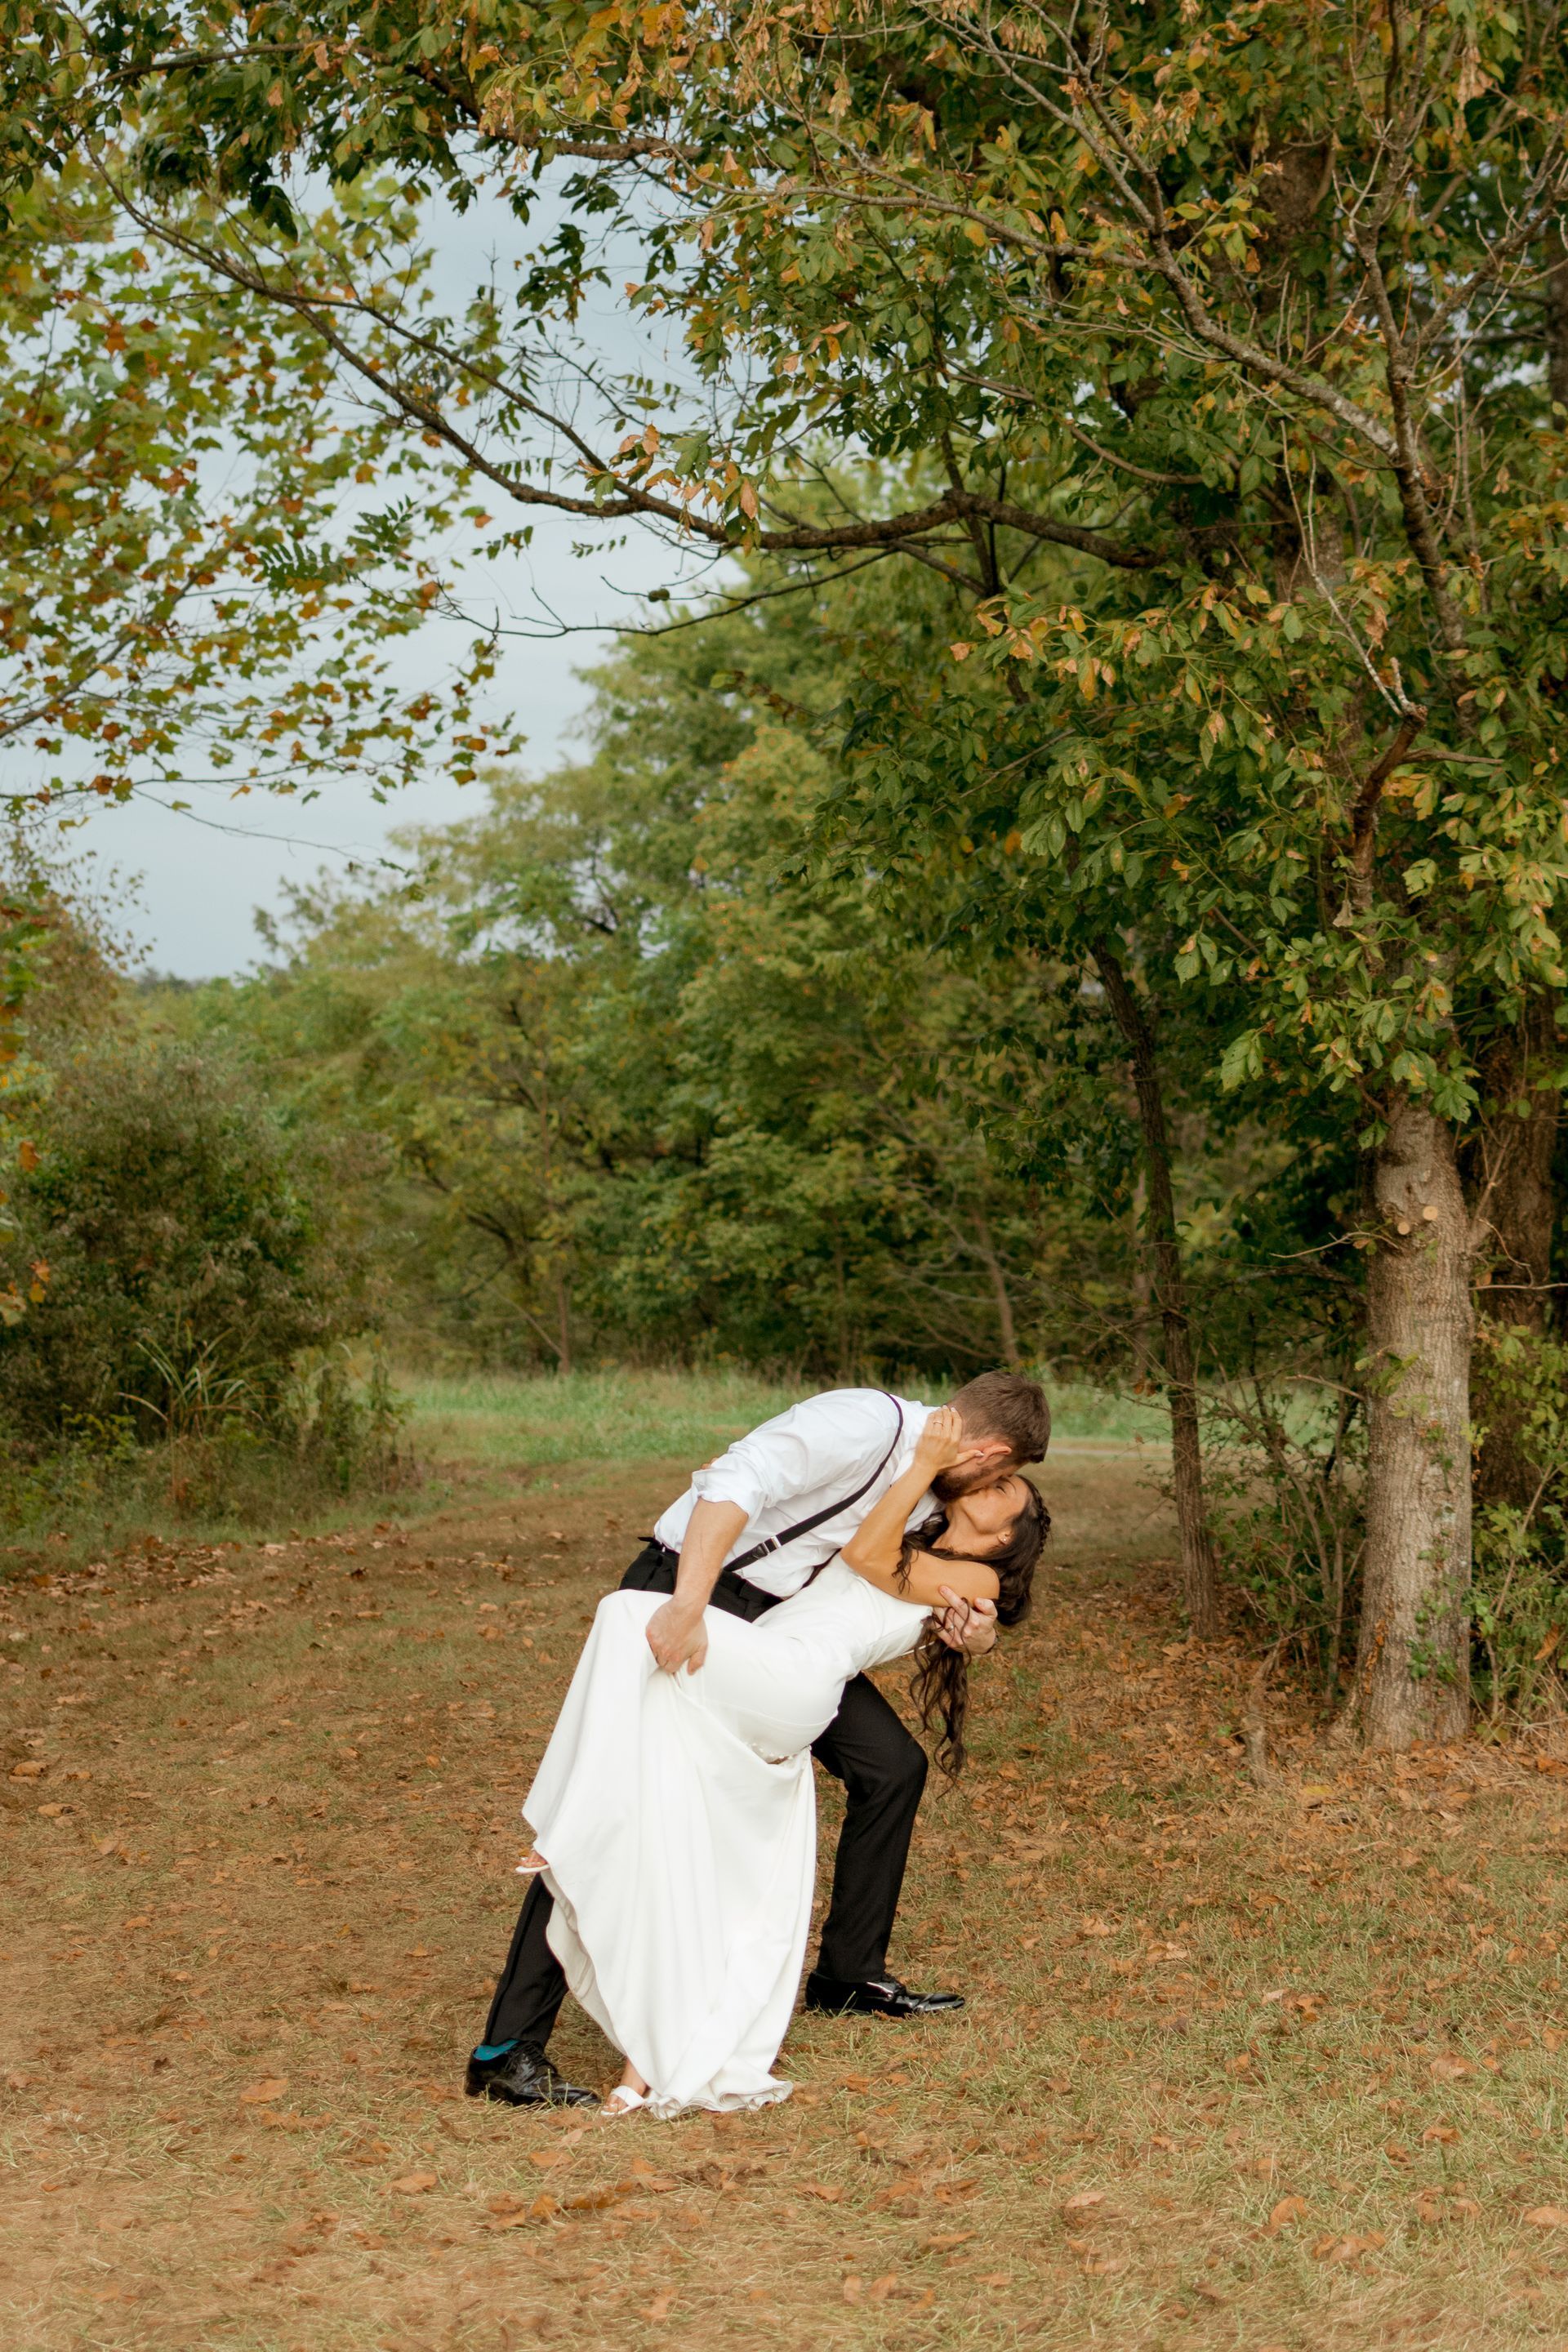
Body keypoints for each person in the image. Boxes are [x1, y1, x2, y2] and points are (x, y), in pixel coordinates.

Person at [466, 1370, 1050, 2109]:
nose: (988, 1488)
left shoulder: (935, 1492)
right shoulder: (866, 1427)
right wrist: (688, 1603)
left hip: (778, 1639)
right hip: (701, 1591)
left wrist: (977, 1630)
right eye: (1001, 1474)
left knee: (892, 1766)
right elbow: (736, 1481)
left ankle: (847, 1976)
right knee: (631, 1801)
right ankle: (509, 2047)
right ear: (989, 1450)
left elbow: (943, 1584)